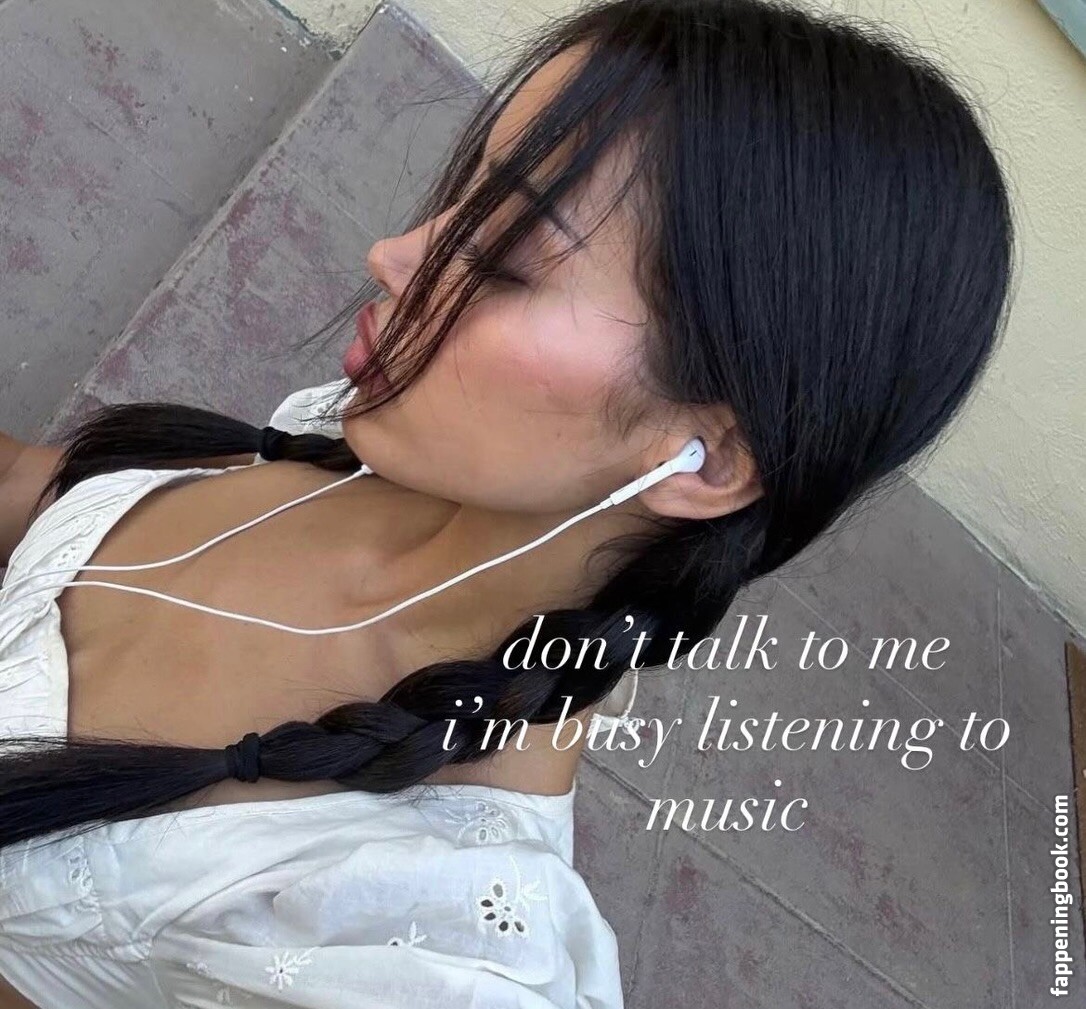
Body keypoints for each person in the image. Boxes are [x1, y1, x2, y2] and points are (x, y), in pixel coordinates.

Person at [0, 0, 1014, 1006]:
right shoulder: (364, 453)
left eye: (504, 259)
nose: (395, 252)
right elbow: (47, 505)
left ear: (703, 460)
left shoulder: (414, 936)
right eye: (467, 194)